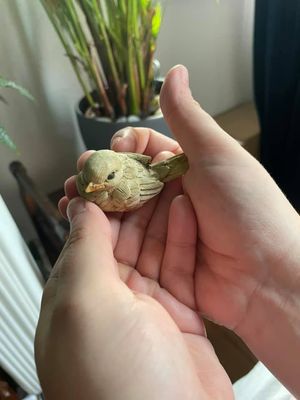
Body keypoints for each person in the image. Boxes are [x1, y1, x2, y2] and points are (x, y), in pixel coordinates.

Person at [34, 65, 300, 399]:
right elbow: (126, 162)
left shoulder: (122, 191)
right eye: (90, 181)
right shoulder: (95, 179)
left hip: (153, 185)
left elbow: (147, 180)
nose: (92, 188)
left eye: (102, 183)